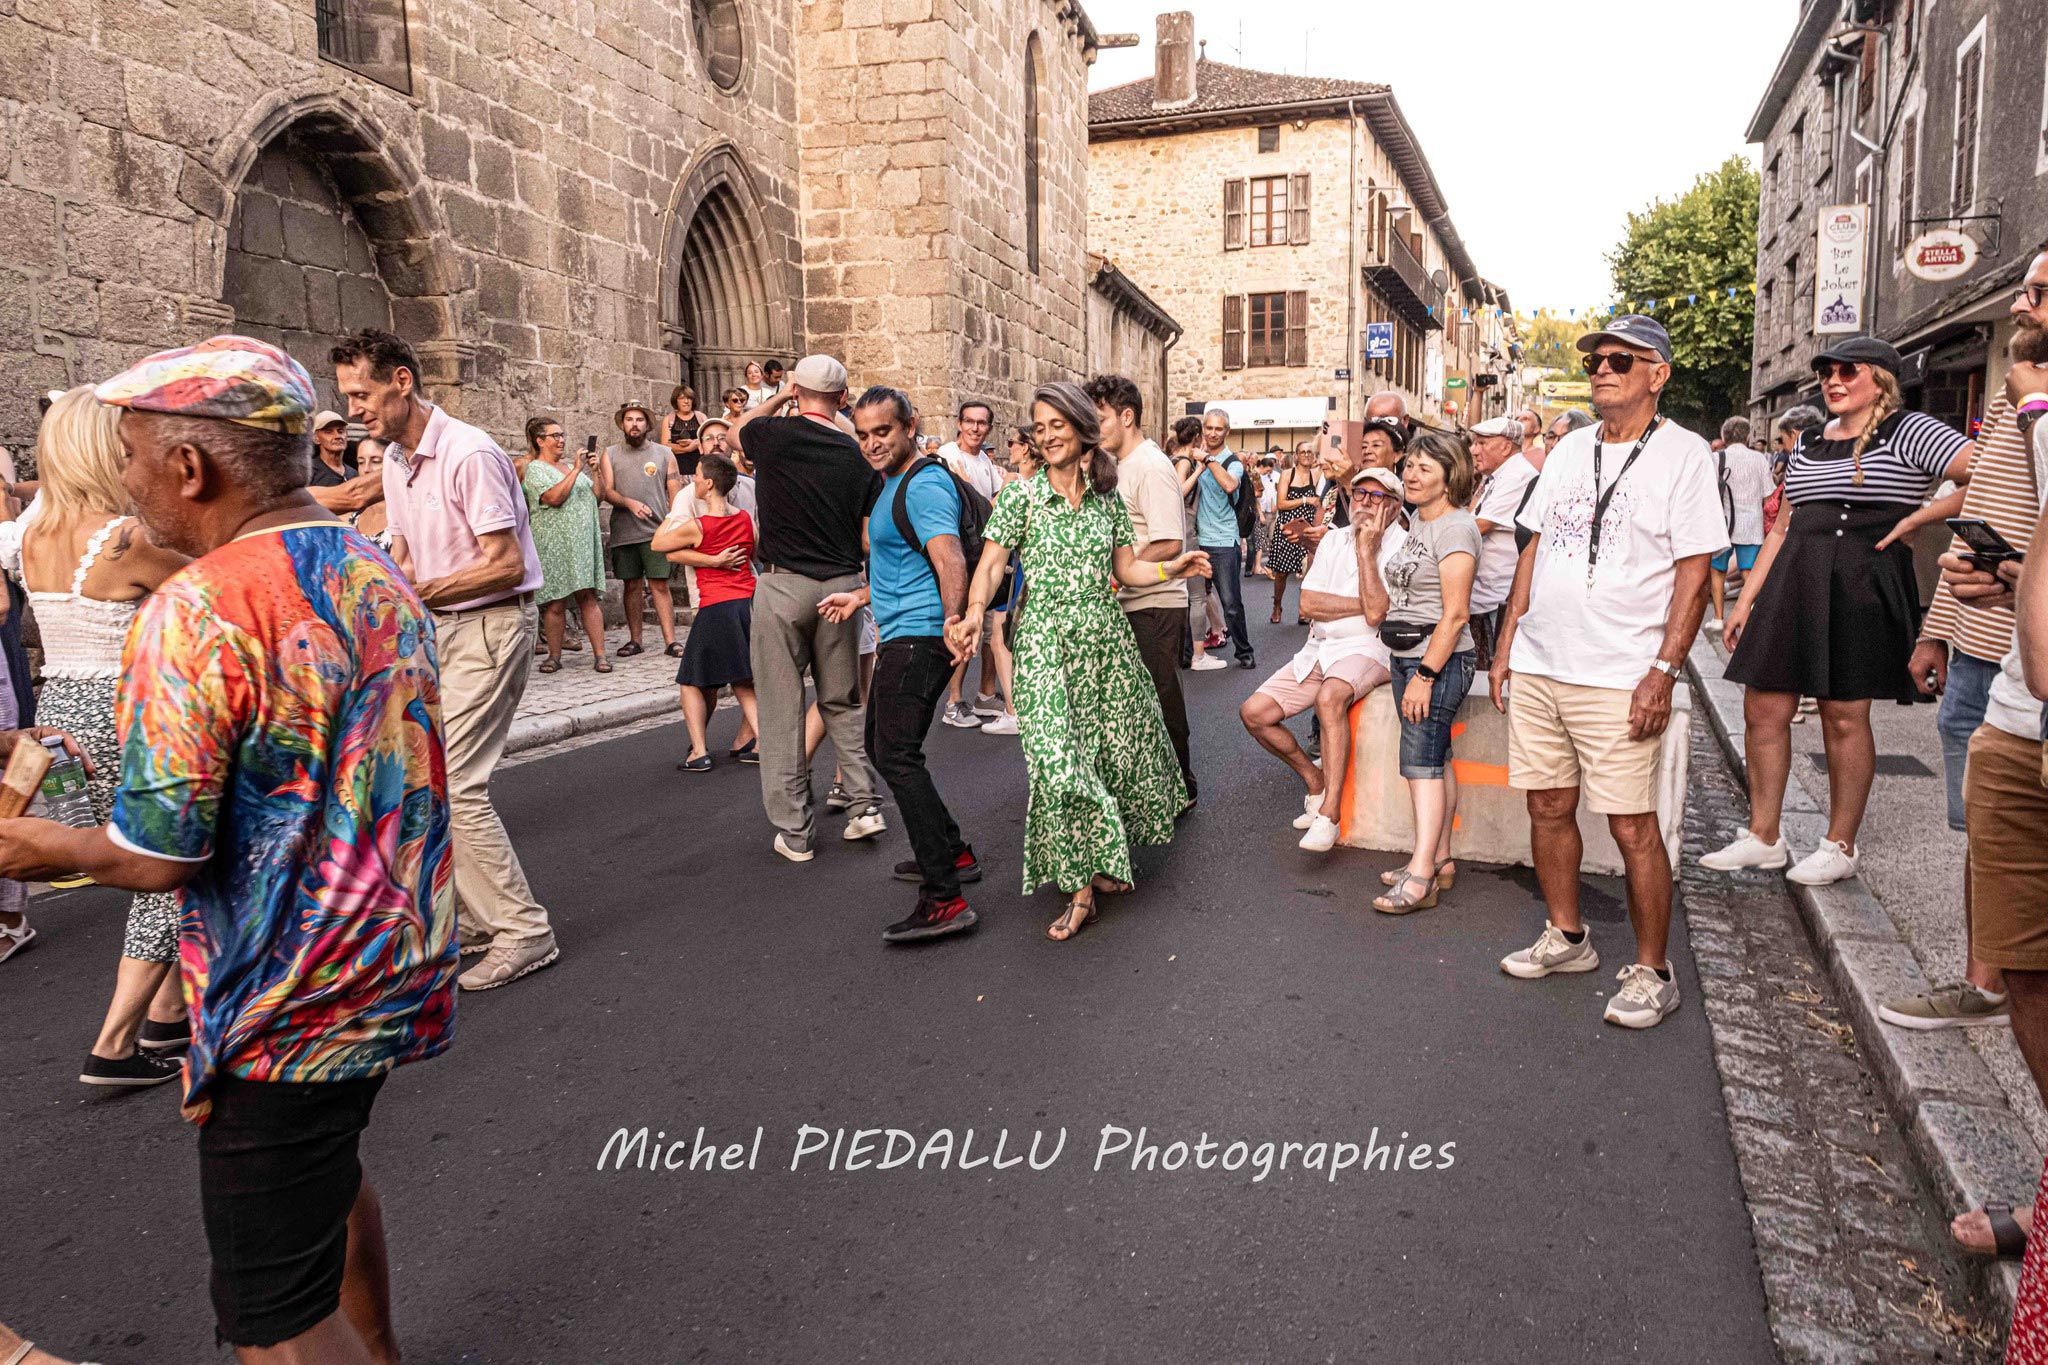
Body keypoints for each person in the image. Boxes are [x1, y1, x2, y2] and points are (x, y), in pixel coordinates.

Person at [0, 334, 456, 1363]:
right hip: (394, 953)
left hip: (285, 992)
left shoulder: (198, 606)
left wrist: (33, 848)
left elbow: (156, 856)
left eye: (131, 456)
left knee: (272, 1315)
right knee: (326, 1181)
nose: (124, 479)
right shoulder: (369, 565)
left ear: (191, 467)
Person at [1490, 315, 1727, 1030]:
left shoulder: (1684, 455)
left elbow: (1695, 569)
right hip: (1541, 663)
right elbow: (1532, 548)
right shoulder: (1565, 450)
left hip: (1622, 670)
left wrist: (1665, 667)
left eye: (1620, 359)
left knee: (1631, 825)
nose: (1600, 367)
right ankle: (1568, 935)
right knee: (1547, 807)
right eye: (1594, 357)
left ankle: (1655, 971)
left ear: (1658, 376)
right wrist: (1507, 642)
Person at [334, 327, 559, 991]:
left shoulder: (469, 452)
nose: (354, 408)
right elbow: (404, 553)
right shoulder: (398, 463)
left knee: (459, 784)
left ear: (402, 379)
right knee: (430, 784)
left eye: (363, 392)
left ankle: (524, 930)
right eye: (347, 395)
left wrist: (416, 590)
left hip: (488, 628)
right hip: (440, 632)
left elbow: (508, 565)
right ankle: (481, 923)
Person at [1708, 337, 1975, 886]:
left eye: (1847, 370)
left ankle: (1841, 843)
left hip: (1860, 581)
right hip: (1793, 578)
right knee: (1764, 705)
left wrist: (1920, 518)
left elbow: (1989, 476)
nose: (1833, 379)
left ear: (1881, 379)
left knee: (1844, 714)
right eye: (1827, 371)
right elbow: (1782, 527)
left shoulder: (1909, 430)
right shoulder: (1807, 440)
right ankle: (1764, 837)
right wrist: (1748, 598)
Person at [947, 382, 1209, 940]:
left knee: (1103, 755)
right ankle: (1080, 887)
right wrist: (972, 612)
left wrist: (1173, 569)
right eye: (1037, 429)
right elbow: (992, 566)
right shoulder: (1021, 497)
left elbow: (1130, 571)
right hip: (1043, 642)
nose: (1045, 436)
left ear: (1080, 427)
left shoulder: (1106, 499)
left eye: (1055, 425)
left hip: (1104, 643)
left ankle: (1097, 863)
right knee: (1055, 759)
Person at [13, 386, 191, 1086]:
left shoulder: (32, 534)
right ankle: (115, 1043)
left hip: (60, 704)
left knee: (159, 857)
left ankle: (171, 1010)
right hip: (125, 707)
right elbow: (210, 583)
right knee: (166, 862)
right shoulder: (123, 539)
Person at [819, 387, 982, 942]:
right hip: (902, 630)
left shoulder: (924, 482)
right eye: (863, 434)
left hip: (919, 639)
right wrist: (863, 597)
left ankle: (944, 898)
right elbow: (903, 564)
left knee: (895, 754)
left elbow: (948, 558)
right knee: (888, 749)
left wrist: (956, 622)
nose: (871, 444)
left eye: (882, 432)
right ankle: (953, 853)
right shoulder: (894, 483)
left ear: (910, 426)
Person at [731, 354, 885, 860]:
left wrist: (780, 396)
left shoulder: (774, 437)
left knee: (779, 709)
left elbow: (738, 432)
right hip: (840, 582)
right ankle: (864, 806)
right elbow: (867, 537)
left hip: (783, 584)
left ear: (798, 390)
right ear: (843, 399)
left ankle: (796, 831)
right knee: (841, 699)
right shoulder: (856, 453)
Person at [1241, 466, 1403, 853]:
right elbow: (1310, 603)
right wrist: (1364, 604)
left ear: (1394, 507)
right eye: (1359, 494)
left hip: (1369, 648)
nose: (1364, 502)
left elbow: (1378, 617)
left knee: (1330, 698)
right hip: (1319, 647)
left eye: (1376, 497)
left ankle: (1330, 814)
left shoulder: (1402, 546)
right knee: (1254, 713)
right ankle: (1315, 781)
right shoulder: (1332, 541)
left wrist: (1367, 552)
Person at [1371, 431, 1481, 912]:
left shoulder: (1456, 528)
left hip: (1437, 660)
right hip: (1410, 656)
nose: (1411, 475)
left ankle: (1420, 877)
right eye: (1409, 466)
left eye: (1424, 469)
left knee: (1421, 766)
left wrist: (1427, 674)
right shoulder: (1419, 521)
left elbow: (1456, 614)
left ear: (1450, 476)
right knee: (1438, 757)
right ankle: (1439, 858)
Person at [1086, 373, 1197, 806]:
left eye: (1100, 420)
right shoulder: (1120, 465)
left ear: (1126, 417)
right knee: (1139, 702)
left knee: (1162, 697)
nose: (1094, 430)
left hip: (1155, 603)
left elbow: (1170, 540)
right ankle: (1158, 788)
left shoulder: (1151, 465)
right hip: (1132, 600)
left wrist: (1118, 574)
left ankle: (1183, 788)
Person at [656, 453, 760, 772]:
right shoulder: (745, 518)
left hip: (716, 605)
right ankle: (766, 742)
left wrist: (709, 558)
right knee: (743, 678)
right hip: (748, 602)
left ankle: (698, 752)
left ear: (710, 484)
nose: (694, 480)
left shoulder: (698, 526)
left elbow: (659, 545)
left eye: (698, 475)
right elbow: (754, 549)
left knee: (689, 680)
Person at [518, 416, 609, 675]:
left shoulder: (569, 467)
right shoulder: (534, 469)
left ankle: (600, 656)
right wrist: (576, 470)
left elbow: (598, 496)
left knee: (588, 598)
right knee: (556, 602)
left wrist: (595, 471)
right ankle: (554, 656)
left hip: (581, 544)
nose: (561, 440)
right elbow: (554, 498)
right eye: (554, 435)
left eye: (561, 435)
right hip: (554, 544)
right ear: (540, 440)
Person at [937, 400, 1005, 729]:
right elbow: (987, 503)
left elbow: (994, 504)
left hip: (985, 552)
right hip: (962, 554)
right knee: (964, 624)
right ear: (959, 424)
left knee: (992, 627)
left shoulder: (984, 463)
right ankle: (953, 701)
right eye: (969, 422)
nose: (975, 428)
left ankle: (985, 693)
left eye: (981, 423)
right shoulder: (951, 455)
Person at [598, 402, 682, 658]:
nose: (634, 424)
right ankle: (635, 640)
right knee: (631, 586)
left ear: (647, 424)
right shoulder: (610, 453)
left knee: (660, 585)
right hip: (625, 531)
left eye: (639, 420)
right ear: (622, 424)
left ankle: (671, 641)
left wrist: (673, 525)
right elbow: (607, 492)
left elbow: (674, 494)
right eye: (629, 420)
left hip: (656, 531)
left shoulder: (665, 453)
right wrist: (629, 503)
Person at [1467, 414, 1538, 670]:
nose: (1474, 450)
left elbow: (1477, 526)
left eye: (1482, 443)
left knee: (1490, 670)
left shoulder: (1516, 475)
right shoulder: (1495, 475)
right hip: (1484, 595)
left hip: (1498, 597)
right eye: (1474, 443)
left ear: (1506, 446)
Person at [1192, 408, 1254, 669]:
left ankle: (1244, 652)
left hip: (1223, 542)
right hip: (1197, 540)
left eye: (1219, 429)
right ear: (1203, 429)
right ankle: (1190, 653)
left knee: (1230, 603)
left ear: (1227, 432)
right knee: (1194, 601)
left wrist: (1207, 459)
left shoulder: (1232, 463)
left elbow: (1229, 485)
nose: (1213, 433)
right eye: (1209, 428)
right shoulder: (1195, 460)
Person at [1705, 416, 1774, 631]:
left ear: (1724, 436)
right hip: (1751, 524)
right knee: (1749, 571)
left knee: (1718, 570)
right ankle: (1751, 612)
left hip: (1723, 525)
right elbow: (1768, 494)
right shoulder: (1759, 459)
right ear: (1748, 436)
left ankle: (1718, 618)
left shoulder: (1717, 459)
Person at [1169, 416, 1227, 669]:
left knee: (1185, 595)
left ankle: (1187, 651)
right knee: (1197, 595)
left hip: (1180, 530)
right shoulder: (1183, 461)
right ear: (1196, 438)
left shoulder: (1171, 459)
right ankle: (1198, 655)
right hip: (1186, 532)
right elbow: (1178, 492)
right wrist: (1200, 470)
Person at [1265, 441, 1322, 624]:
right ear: (1296, 455)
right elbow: (1281, 504)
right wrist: (1306, 499)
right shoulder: (1287, 475)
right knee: (1281, 572)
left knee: (1309, 571)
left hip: (1309, 528)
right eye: (1303, 452)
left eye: (1310, 452)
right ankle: (1277, 605)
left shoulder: (1317, 474)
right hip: (1288, 528)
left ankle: (1303, 609)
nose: (1306, 455)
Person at [309, 409, 355, 487]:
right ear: (316, 438)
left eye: (340, 431)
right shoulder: (308, 472)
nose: (338, 436)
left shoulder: (353, 473)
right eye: (329, 432)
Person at [661, 385, 702, 467]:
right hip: (676, 468)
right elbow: (665, 446)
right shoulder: (669, 419)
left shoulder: (701, 417)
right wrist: (689, 448)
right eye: (682, 398)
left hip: (699, 469)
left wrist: (697, 443)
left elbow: (707, 441)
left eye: (689, 398)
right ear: (676, 401)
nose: (686, 401)